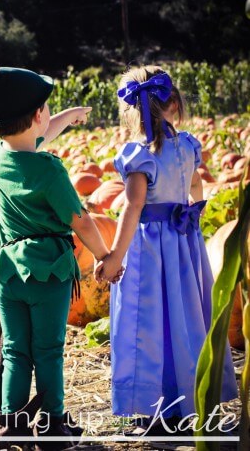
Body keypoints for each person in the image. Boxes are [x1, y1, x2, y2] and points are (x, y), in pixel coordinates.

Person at [0, 17, 119, 451]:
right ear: (36, 115)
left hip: (8, 274)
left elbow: (28, 139)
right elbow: (81, 220)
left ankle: (9, 425)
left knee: (16, 351)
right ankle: (51, 427)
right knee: (49, 351)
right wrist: (106, 255)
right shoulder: (50, 169)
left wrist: (65, 118)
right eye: (48, 110)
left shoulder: (0, 157)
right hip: (48, 273)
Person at [95, 66, 238, 434]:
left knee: (148, 323)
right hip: (183, 245)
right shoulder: (188, 145)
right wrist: (189, 218)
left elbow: (134, 206)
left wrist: (113, 256)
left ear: (130, 114)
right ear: (173, 103)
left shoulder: (139, 155)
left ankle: (154, 412)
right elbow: (195, 185)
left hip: (149, 249)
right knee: (185, 319)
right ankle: (189, 401)